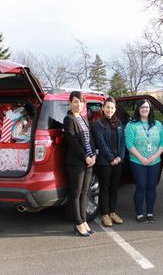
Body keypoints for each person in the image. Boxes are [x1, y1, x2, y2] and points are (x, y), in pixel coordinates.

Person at [125, 99, 163, 223]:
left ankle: (149, 212)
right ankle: (139, 213)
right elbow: (129, 143)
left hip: (155, 161)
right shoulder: (131, 125)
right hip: (138, 161)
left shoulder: (157, 124)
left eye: (147, 107)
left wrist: (155, 156)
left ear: (150, 109)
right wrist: (141, 158)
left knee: (151, 187)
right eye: (142, 107)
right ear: (138, 109)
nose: (145, 109)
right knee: (141, 186)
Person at [63, 91, 96, 237]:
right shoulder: (68, 119)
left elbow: (90, 138)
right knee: (75, 193)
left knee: (85, 192)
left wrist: (94, 154)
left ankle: (84, 221)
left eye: (81, 102)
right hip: (77, 162)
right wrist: (85, 157)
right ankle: (77, 223)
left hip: (89, 160)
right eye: (75, 101)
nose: (78, 104)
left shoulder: (83, 118)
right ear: (70, 103)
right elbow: (72, 141)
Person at [93, 97, 126, 227]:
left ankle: (112, 212)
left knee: (114, 188)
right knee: (105, 188)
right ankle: (105, 214)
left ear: (115, 109)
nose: (110, 110)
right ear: (103, 108)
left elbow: (122, 142)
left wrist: (120, 157)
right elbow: (101, 143)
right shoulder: (98, 124)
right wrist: (111, 158)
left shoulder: (118, 123)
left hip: (118, 161)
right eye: (107, 107)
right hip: (104, 162)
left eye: (112, 108)